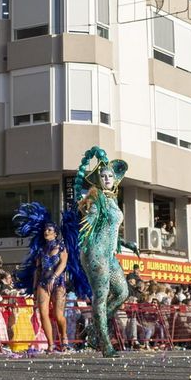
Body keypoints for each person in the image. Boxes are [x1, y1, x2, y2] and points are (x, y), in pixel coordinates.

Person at [74, 147, 137, 356]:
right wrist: (85, 209)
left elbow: (108, 230)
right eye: (103, 176)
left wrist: (127, 244)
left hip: (109, 255)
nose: (107, 178)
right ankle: (105, 345)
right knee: (100, 297)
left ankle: (93, 331)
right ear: (98, 180)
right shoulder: (97, 198)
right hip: (94, 253)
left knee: (123, 293)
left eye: (110, 175)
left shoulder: (112, 200)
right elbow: (89, 219)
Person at [14, 207, 73, 354]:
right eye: (45, 230)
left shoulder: (61, 247)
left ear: (55, 233)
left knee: (58, 315)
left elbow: (63, 264)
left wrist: (54, 277)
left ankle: (64, 338)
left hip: (58, 283)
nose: (46, 232)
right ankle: (50, 344)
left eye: (49, 230)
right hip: (42, 283)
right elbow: (38, 270)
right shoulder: (41, 250)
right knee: (43, 314)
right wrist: (34, 288)